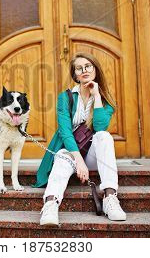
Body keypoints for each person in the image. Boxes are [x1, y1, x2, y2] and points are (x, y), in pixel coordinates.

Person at [34, 52, 126, 226]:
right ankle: (51, 204)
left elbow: (99, 128)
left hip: (92, 156)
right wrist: (78, 161)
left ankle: (110, 198)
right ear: (75, 74)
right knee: (61, 156)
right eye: (79, 68)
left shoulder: (106, 101)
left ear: (95, 69)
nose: (84, 70)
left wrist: (97, 96)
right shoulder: (65, 97)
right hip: (70, 153)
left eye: (88, 66)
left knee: (105, 137)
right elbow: (65, 132)